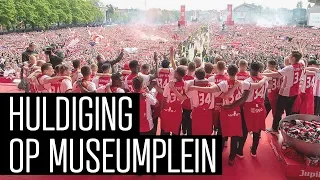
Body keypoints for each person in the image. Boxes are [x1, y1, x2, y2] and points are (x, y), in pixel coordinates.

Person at [262, 51, 305, 133]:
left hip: (285, 92)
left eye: (290, 55)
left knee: (278, 111)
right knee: (289, 111)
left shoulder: (289, 68)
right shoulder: (301, 65)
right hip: (295, 92)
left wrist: (262, 74)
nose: (288, 57)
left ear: (293, 58)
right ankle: (289, 129)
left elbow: (277, 75)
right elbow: (302, 60)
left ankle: (275, 128)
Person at [161, 67, 187, 135]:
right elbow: (183, 98)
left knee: (165, 131)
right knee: (176, 131)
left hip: (168, 109)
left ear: (177, 74)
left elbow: (164, 98)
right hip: (178, 110)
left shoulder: (169, 84)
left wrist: (161, 110)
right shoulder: (185, 84)